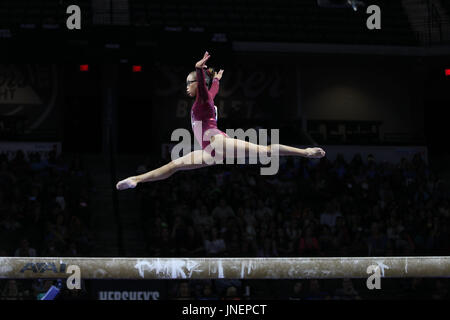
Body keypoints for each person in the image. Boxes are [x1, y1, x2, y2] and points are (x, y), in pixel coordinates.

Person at [116, 51, 325, 190]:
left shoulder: (202, 101)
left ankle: (305, 152)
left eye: (189, 83)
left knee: (265, 152)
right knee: (174, 166)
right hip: (209, 152)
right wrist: (216, 79)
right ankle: (136, 180)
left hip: (217, 142)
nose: (186, 87)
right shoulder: (206, 101)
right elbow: (212, 90)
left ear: (198, 84)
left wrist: (199, 69)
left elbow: (206, 89)